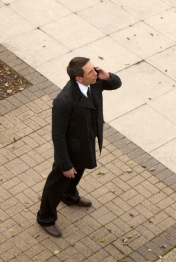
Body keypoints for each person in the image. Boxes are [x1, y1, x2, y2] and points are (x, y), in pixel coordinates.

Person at [37, 57, 122, 237]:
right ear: (78, 79)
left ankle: (69, 196)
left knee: (79, 172)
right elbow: (58, 136)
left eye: (94, 69)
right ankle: (45, 217)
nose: (95, 73)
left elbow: (116, 84)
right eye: (91, 71)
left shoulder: (95, 82)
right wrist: (66, 164)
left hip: (87, 139)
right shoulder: (64, 101)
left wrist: (108, 77)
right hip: (70, 149)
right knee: (56, 183)